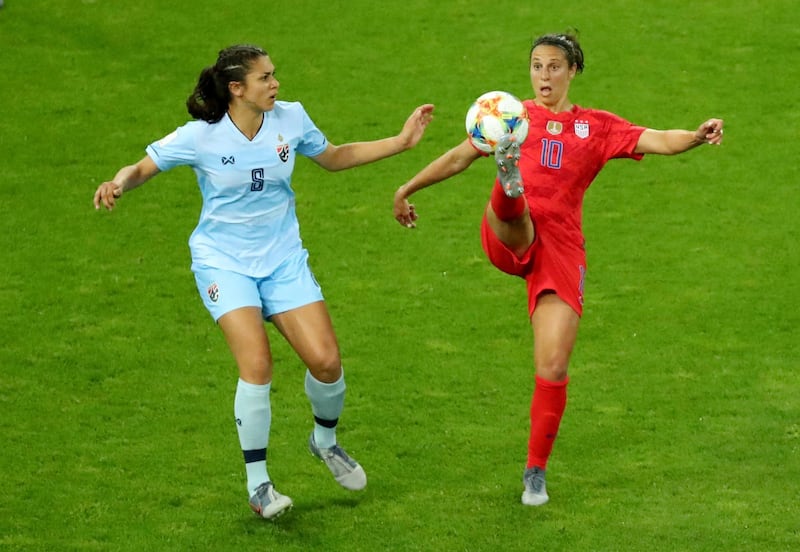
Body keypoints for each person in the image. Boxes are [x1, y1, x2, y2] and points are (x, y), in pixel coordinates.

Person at [93, 44, 434, 520]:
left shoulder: (289, 119)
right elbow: (144, 168)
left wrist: (401, 142)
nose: (275, 84)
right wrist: (118, 183)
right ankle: (259, 486)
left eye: (275, 76)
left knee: (327, 362)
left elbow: (333, 157)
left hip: (282, 259)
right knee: (257, 363)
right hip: (224, 263)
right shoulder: (201, 137)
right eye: (265, 78)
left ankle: (325, 442)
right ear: (237, 89)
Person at [393, 32, 723, 506]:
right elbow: (457, 157)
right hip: (507, 235)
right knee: (516, 212)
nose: (543, 76)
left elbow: (658, 140)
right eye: (536, 66)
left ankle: (535, 472)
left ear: (572, 72)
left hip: (561, 250)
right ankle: (509, 183)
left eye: (553, 67)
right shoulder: (509, 116)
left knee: (552, 364)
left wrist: (695, 135)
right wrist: (407, 188)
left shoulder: (598, 126)